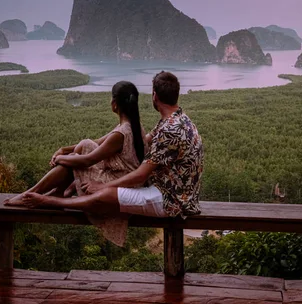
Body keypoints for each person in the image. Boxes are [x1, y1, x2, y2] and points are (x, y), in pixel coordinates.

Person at [19, 71, 204, 232]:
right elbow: (142, 140)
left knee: (106, 195)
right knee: (92, 166)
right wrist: (68, 151)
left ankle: (49, 201)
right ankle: (51, 192)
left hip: (170, 201)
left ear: (154, 96)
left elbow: (141, 175)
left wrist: (104, 186)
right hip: (183, 196)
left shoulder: (170, 129)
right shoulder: (176, 120)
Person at [4, 80, 146, 245]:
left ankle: (30, 193)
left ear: (114, 104)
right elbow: (98, 142)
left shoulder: (121, 133)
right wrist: (64, 150)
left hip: (117, 189)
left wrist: (60, 159)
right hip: (125, 184)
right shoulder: (133, 127)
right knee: (84, 145)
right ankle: (53, 191)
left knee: (81, 151)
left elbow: (88, 160)